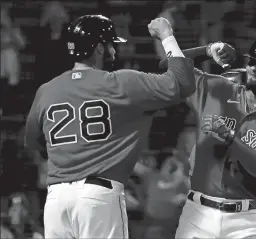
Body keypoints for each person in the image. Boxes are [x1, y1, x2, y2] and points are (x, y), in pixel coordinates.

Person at [24, 15, 195, 239]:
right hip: (98, 197)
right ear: (98, 48)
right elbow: (183, 82)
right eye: (110, 44)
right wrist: (166, 35)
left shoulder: (47, 90)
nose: (113, 51)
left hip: (56, 200)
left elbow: (31, 142)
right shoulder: (121, 83)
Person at [161, 37, 256, 238]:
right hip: (198, 213)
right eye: (252, 60)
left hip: (245, 220)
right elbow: (168, 66)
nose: (253, 67)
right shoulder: (217, 89)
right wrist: (208, 50)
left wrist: (231, 138)